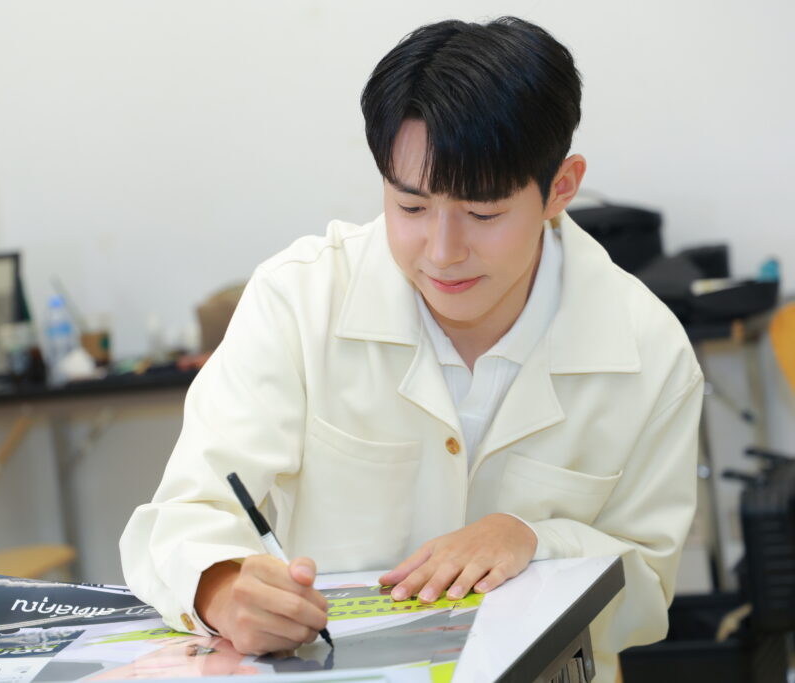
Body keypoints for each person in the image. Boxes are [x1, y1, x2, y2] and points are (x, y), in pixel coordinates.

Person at [120, 16, 702, 683]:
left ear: (561, 188)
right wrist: (222, 587)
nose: (444, 251)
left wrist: (534, 539)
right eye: (412, 207)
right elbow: (183, 515)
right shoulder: (299, 301)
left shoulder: (648, 349)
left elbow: (648, 591)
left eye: (483, 214)